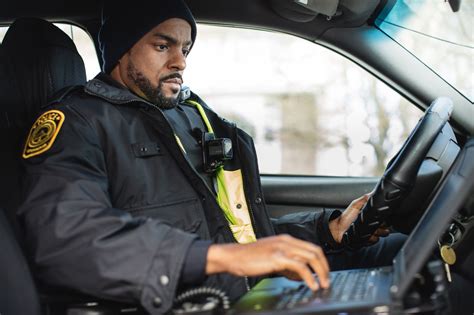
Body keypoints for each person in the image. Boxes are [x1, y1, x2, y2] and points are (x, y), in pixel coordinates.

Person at [17, 0, 404, 314]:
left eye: (185, 49)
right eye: (162, 45)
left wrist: (328, 230)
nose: (180, 62)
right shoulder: (77, 124)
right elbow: (66, 239)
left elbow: (237, 233)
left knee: (398, 255)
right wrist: (221, 258)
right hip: (185, 302)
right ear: (121, 49)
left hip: (248, 295)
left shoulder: (188, 117)